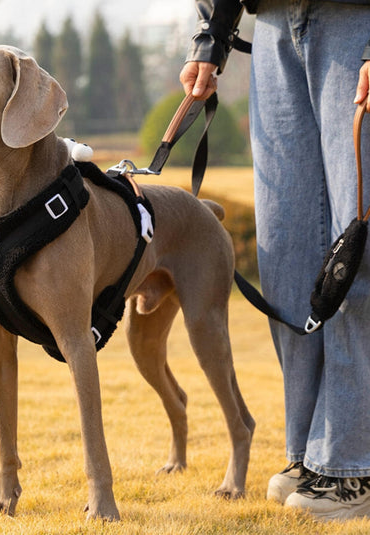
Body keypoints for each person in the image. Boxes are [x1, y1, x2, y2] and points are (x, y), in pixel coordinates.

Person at [181, 0, 370, 522]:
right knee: (286, 253)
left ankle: (351, 460)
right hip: (271, 26)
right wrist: (211, 36)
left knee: (356, 248)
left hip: (355, 20)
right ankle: (310, 449)